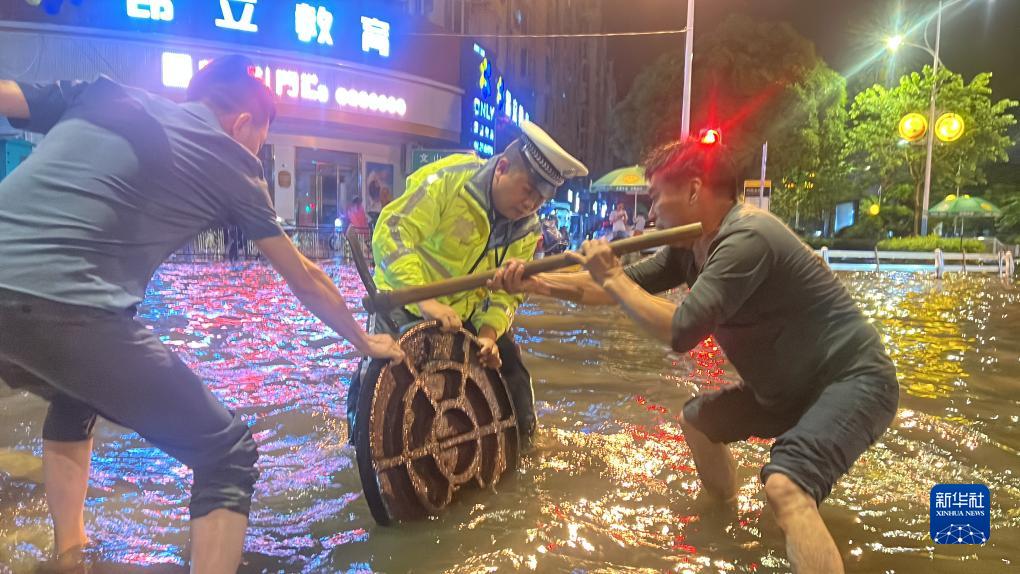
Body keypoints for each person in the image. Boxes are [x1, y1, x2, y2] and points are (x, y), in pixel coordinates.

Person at [0, 56, 403, 573]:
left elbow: (8, 93)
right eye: (260, 141)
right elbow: (304, 276)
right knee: (228, 453)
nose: (258, 153)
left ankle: (69, 555)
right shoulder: (231, 159)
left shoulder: (100, 92)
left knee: (75, 394)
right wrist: (364, 341)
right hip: (68, 306)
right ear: (243, 123)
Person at [490, 136, 898, 574]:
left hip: (851, 379)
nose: (651, 213)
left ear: (693, 189)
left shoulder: (747, 237)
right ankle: (725, 522)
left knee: (786, 485)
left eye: (655, 197)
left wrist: (612, 277)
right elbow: (613, 290)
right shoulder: (688, 248)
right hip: (786, 391)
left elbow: (681, 330)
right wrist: (539, 285)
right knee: (699, 422)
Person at [347, 120, 587, 442]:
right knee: (375, 393)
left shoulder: (527, 230)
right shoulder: (451, 180)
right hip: (403, 303)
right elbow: (392, 231)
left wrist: (488, 336)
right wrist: (425, 301)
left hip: (463, 318)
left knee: (513, 375)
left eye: (540, 200)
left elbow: (509, 295)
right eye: (528, 191)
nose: (530, 205)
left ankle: (522, 448)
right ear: (502, 167)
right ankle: (355, 445)